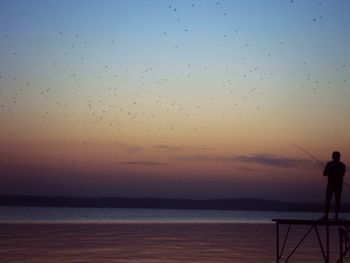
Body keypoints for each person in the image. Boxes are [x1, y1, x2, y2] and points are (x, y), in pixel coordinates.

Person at [322, 151, 346, 220]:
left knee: (331, 201)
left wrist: (331, 171)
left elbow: (324, 174)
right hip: (337, 186)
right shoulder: (342, 165)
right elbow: (325, 174)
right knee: (335, 201)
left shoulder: (330, 164)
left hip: (333, 186)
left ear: (333, 157)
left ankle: (328, 216)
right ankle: (334, 216)